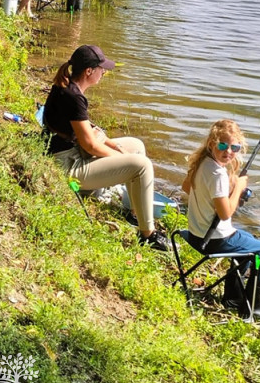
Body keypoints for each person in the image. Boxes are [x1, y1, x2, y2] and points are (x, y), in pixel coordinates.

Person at [43, 44, 168, 251]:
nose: (104, 73)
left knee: (136, 146)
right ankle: (148, 235)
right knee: (142, 166)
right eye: (102, 69)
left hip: (71, 154)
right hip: (66, 167)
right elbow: (90, 145)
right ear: (89, 71)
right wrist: (118, 156)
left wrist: (114, 146)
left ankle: (135, 212)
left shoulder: (68, 86)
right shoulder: (74, 97)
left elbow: (89, 130)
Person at [181, 119, 260, 322]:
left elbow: (186, 187)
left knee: (248, 239)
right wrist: (239, 188)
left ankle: (233, 297)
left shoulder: (202, 164)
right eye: (223, 145)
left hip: (195, 233)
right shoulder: (217, 174)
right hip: (213, 240)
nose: (229, 152)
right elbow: (225, 214)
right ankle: (254, 307)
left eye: (235, 147)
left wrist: (228, 187)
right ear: (212, 144)